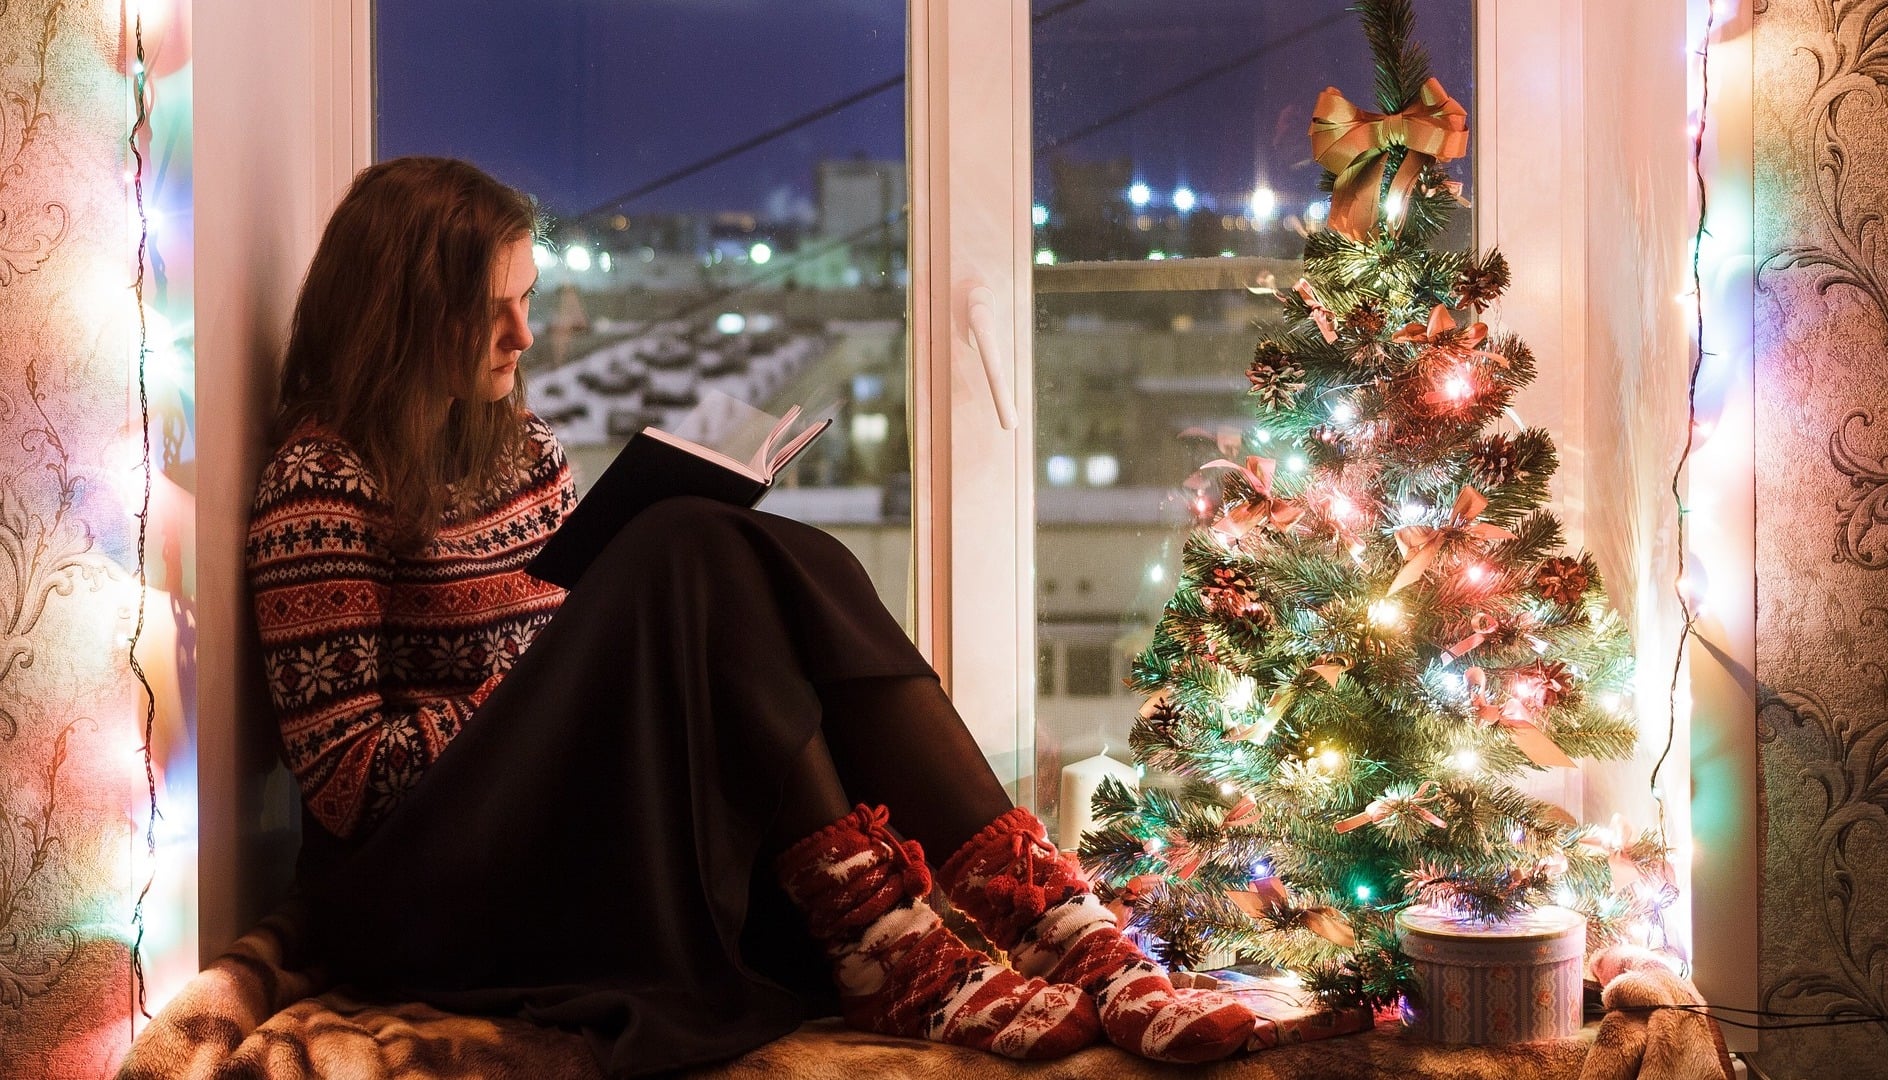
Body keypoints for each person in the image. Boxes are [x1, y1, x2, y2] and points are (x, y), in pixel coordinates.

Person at [246, 156, 1274, 1078]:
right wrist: (545, 683)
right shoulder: (320, 486)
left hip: (544, 812)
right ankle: (901, 945)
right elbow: (346, 791)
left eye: (528, 300)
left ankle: (1043, 922)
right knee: (683, 544)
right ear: (407, 314)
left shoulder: (526, 451)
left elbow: (559, 650)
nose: (525, 335)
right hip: (419, 886)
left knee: (725, 554)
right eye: (491, 310)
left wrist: (575, 669)